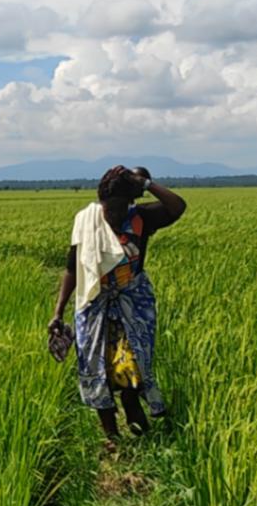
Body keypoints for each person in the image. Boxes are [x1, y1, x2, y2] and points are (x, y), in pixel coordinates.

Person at [49, 164, 184, 440]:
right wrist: (58, 312)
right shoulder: (87, 221)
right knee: (96, 369)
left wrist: (145, 183)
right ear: (101, 203)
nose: (113, 215)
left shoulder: (141, 218)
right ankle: (112, 438)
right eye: (109, 208)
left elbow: (177, 206)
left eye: (120, 208)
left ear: (131, 203)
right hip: (94, 305)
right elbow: (73, 268)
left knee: (133, 366)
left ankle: (138, 423)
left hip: (132, 304)